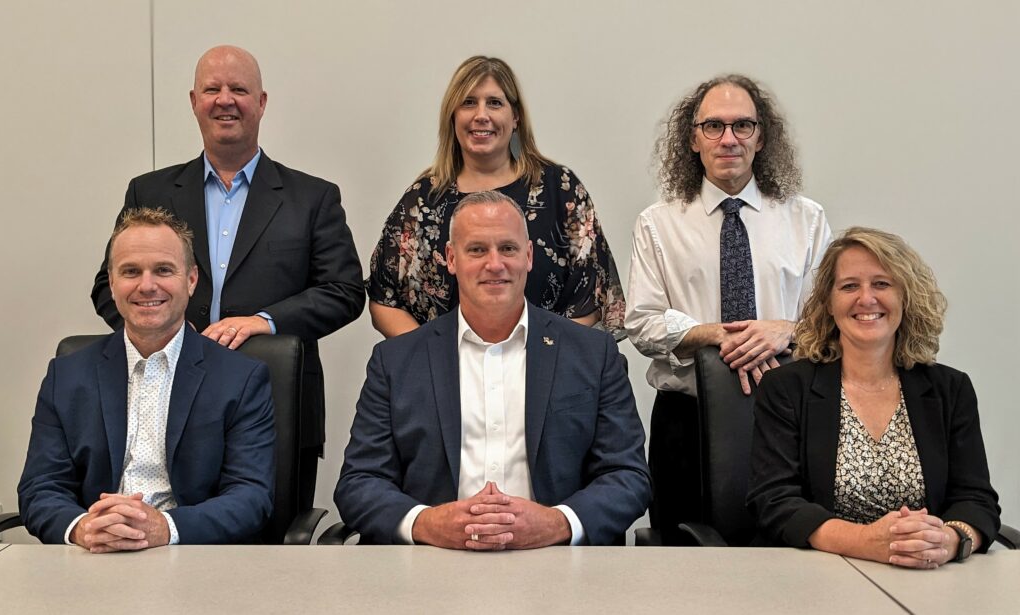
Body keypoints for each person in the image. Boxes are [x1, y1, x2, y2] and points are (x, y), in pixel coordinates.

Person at [90, 45, 364, 508]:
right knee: (155, 536)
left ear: (261, 102)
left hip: (277, 407)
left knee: (266, 556)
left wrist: (264, 320)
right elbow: (107, 286)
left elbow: (345, 291)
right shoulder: (149, 191)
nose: (225, 99)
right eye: (213, 89)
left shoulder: (312, 197)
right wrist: (165, 334)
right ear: (194, 100)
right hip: (164, 401)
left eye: (239, 89)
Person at [337, 191, 650, 548]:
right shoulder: (395, 361)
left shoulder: (593, 355)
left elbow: (627, 476)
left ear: (529, 256)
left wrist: (557, 522)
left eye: (508, 248)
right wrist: (425, 523)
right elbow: (359, 481)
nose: (495, 264)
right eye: (477, 250)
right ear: (451, 259)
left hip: (557, 567)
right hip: (430, 566)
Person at [625, 74, 832, 538]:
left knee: (789, 559)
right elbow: (640, 323)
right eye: (713, 127)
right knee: (683, 568)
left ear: (761, 137)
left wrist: (785, 329)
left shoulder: (807, 219)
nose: (729, 139)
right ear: (693, 139)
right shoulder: (658, 224)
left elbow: (831, 320)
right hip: (686, 423)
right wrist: (716, 334)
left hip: (789, 418)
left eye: (743, 126)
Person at [19, 208, 275, 551]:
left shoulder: (241, 379)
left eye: (164, 270)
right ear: (111, 282)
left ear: (191, 279)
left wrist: (164, 528)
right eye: (130, 272)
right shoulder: (65, 376)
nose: (146, 285)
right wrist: (84, 527)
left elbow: (251, 496)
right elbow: (40, 487)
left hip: (193, 559)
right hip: (94, 558)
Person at [747, 227, 1000, 568]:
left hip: (924, 575)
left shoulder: (949, 389)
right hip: (814, 576)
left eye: (882, 284)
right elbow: (775, 500)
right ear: (829, 303)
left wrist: (949, 540)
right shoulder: (786, 388)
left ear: (905, 297)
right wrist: (866, 542)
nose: (866, 299)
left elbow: (976, 498)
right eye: (849, 286)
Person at [368, 55, 625, 339]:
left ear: (515, 117)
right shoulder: (423, 201)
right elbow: (385, 300)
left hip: (547, 369)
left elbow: (595, 294)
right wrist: (432, 357)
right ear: (452, 116)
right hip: (445, 376)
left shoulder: (559, 189)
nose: (481, 115)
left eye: (494, 102)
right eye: (468, 102)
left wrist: (541, 356)